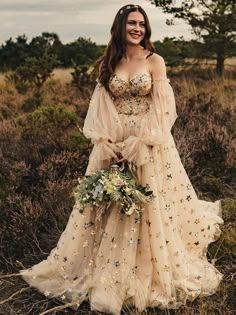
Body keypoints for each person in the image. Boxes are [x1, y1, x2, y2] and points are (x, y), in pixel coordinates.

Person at [20, 4, 223, 314]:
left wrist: (141, 140)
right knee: (110, 203)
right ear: (120, 26)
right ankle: (104, 268)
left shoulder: (155, 61)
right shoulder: (108, 63)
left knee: (146, 202)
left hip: (148, 141)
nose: (137, 28)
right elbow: (100, 105)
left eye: (142, 23)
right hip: (113, 143)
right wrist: (104, 141)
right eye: (132, 23)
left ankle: (145, 268)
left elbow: (164, 110)